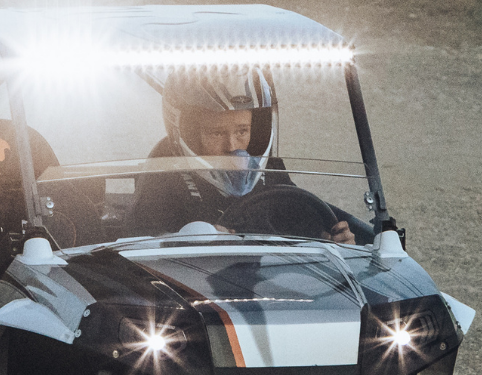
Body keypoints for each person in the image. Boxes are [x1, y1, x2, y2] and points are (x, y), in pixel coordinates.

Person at [128, 67, 355, 243]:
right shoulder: (165, 163)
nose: (232, 145)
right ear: (189, 132)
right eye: (217, 133)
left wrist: (333, 237)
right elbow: (135, 240)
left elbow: (298, 215)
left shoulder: (269, 165)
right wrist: (188, 239)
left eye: (242, 131)